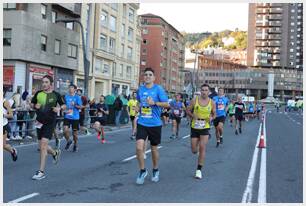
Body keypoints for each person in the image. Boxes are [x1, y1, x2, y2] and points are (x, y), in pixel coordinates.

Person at [135, 67, 169, 185]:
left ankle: (155, 169)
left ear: (154, 78)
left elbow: (167, 104)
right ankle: (142, 170)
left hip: (155, 124)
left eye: (150, 75)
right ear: (143, 77)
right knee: (139, 147)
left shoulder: (158, 89)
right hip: (142, 122)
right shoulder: (140, 89)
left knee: (154, 149)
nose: (147, 76)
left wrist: (154, 103)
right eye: (146, 75)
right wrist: (137, 107)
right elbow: (139, 102)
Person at [31, 75, 65, 180]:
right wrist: (33, 106)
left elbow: (64, 105)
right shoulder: (38, 94)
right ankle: (55, 153)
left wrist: (59, 108)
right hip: (39, 122)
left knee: (44, 145)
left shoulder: (56, 95)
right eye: (43, 82)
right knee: (42, 145)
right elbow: (31, 104)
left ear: (51, 84)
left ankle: (41, 172)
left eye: (46, 82)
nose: (44, 84)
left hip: (50, 122)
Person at [186, 84, 216, 179]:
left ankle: (199, 170)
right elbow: (187, 110)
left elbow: (214, 114)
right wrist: (192, 115)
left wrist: (211, 118)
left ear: (209, 92)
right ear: (200, 91)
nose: (204, 92)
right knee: (194, 150)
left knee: (203, 147)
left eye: (206, 90)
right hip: (195, 127)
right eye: (202, 90)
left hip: (205, 127)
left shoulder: (212, 102)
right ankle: (197, 145)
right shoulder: (195, 100)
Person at [63, 84, 82, 152]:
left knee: (75, 134)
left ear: (75, 89)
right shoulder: (66, 96)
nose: (70, 89)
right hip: (67, 116)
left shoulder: (77, 97)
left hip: (75, 117)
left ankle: (75, 144)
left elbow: (80, 107)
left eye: (72, 88)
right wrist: (64, 110)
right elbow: (64, 105)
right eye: (69, 88)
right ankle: (69, 141)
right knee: (65, 130)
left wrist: (75, 105)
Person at [3, 89, 18, 161]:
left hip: (3, 125)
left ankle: (12, 150)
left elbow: (11, 115)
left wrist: (3, 115)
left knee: (3, 145)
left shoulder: (5, 102)